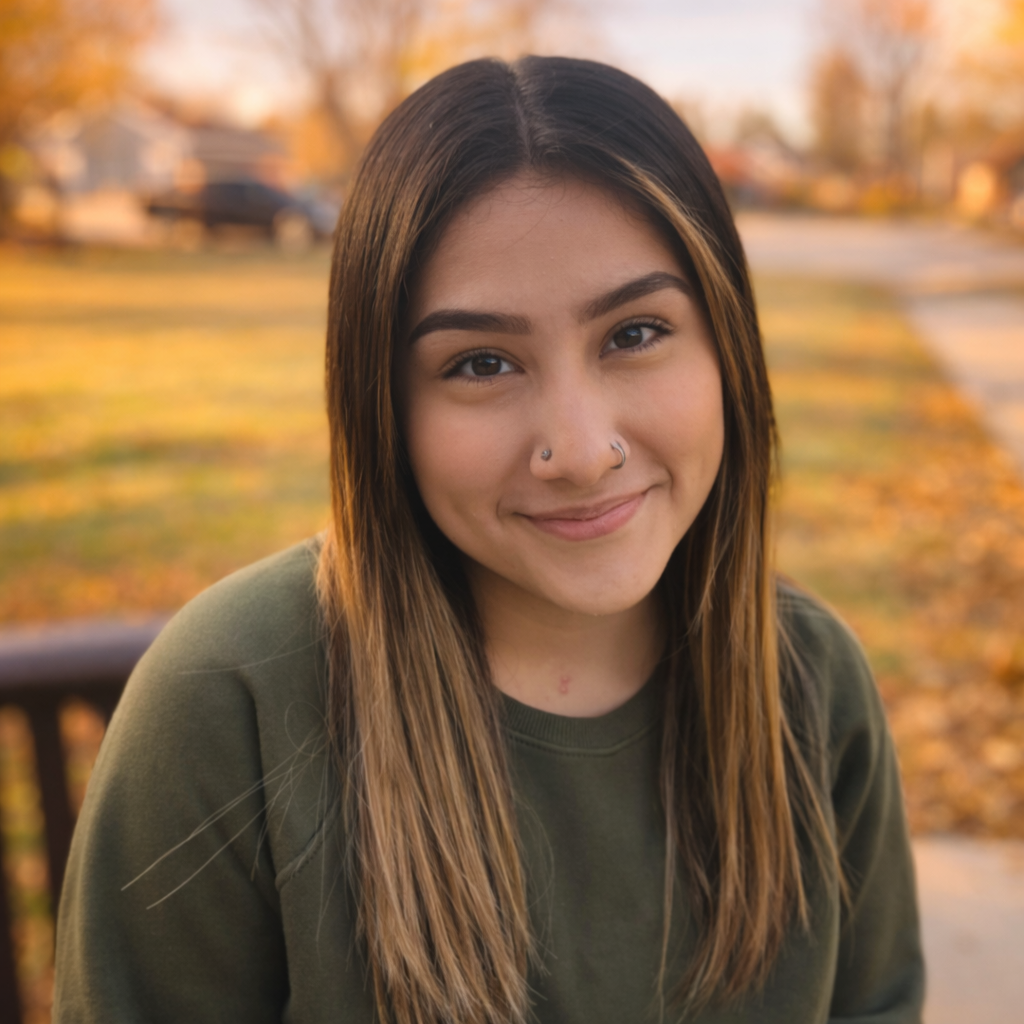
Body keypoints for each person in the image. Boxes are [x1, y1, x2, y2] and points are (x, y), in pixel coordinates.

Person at [54, 57, 924, 1024]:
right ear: (382, 405)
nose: (582, 451)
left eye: (635, 334)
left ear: (728, 345)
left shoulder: (808, 683)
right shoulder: (225, 707)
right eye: (480, 362)